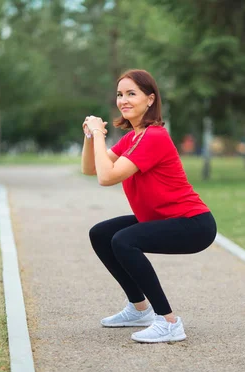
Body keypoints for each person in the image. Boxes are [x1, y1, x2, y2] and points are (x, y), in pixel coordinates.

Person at [81, 69, 217, 343]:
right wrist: (90, 137)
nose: (124, 100)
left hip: (193, 223)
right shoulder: (132, 137)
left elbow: (106, 178)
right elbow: (89, 169)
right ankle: (139, 309)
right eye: (120, 94)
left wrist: (99, 133)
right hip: (160, 219)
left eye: (132, 94)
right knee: (101, 234)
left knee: (124, 241)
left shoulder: (155, 137)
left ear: (150, 100)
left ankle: (169, 322)